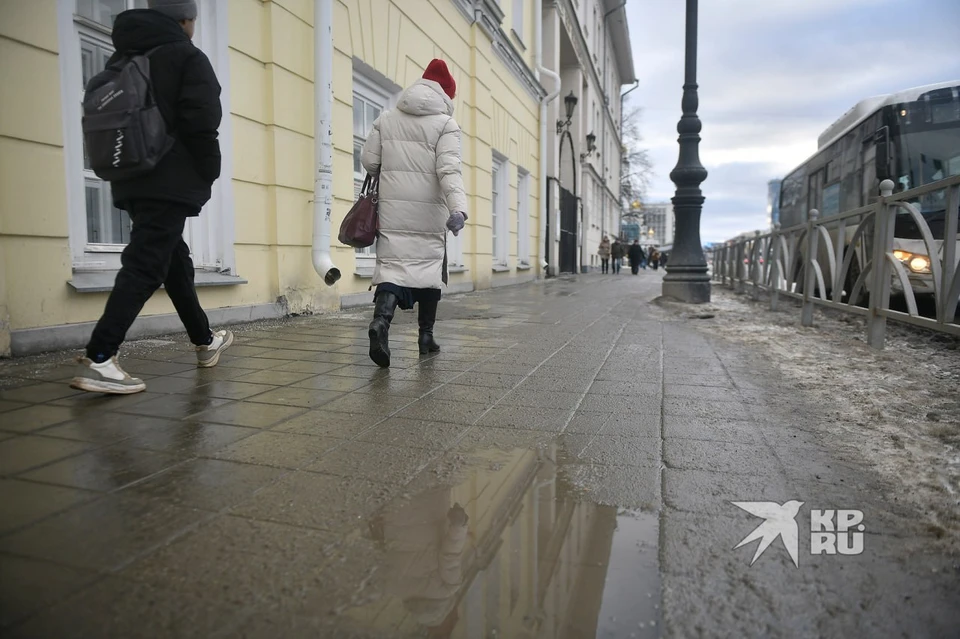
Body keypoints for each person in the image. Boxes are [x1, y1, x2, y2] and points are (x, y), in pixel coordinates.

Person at [70, 0, 232, 395]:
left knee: (171, 258)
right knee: (146, 263)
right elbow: (201, 121)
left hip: (131, 176)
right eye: (192, 18)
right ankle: (100, 358)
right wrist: (208, 170)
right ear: (184, 20)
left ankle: (204, 341)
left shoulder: (121, 59)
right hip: (169, 177)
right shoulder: (185, 56)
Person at [361, 59, 468, 368]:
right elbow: (449, 170)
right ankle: (425, 337)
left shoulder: (386, 118)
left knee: (392, 268)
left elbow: (369, 162)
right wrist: (458, 208)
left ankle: (381, 322)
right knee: (429, 272)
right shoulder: (446, 125)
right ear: (447, 94)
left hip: (393, 208)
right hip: (428, 210)